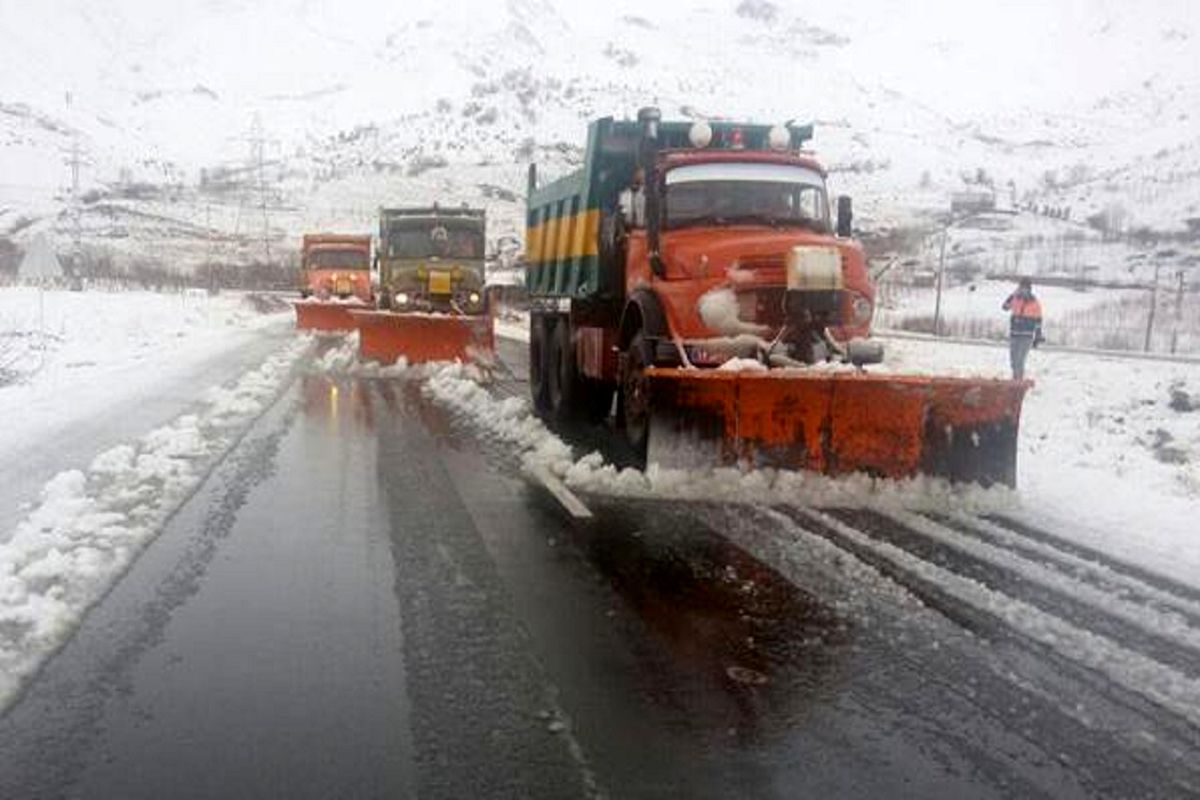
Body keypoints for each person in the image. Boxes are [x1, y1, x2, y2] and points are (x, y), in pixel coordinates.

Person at [1002, 277, 1044, 379]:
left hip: (1026, 336)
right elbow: (1005, 307)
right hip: (1014, 334)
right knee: (1013, 360)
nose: (1023, 290)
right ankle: (1015, 379)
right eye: (1021, 287)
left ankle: (1018, 381)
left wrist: (1037, 336)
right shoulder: (1015, 299)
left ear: (1029, 289)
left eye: (1025, 288)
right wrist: (1012, 295)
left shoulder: (1034, 302)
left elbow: (1038, 320)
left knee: (1019, 360)